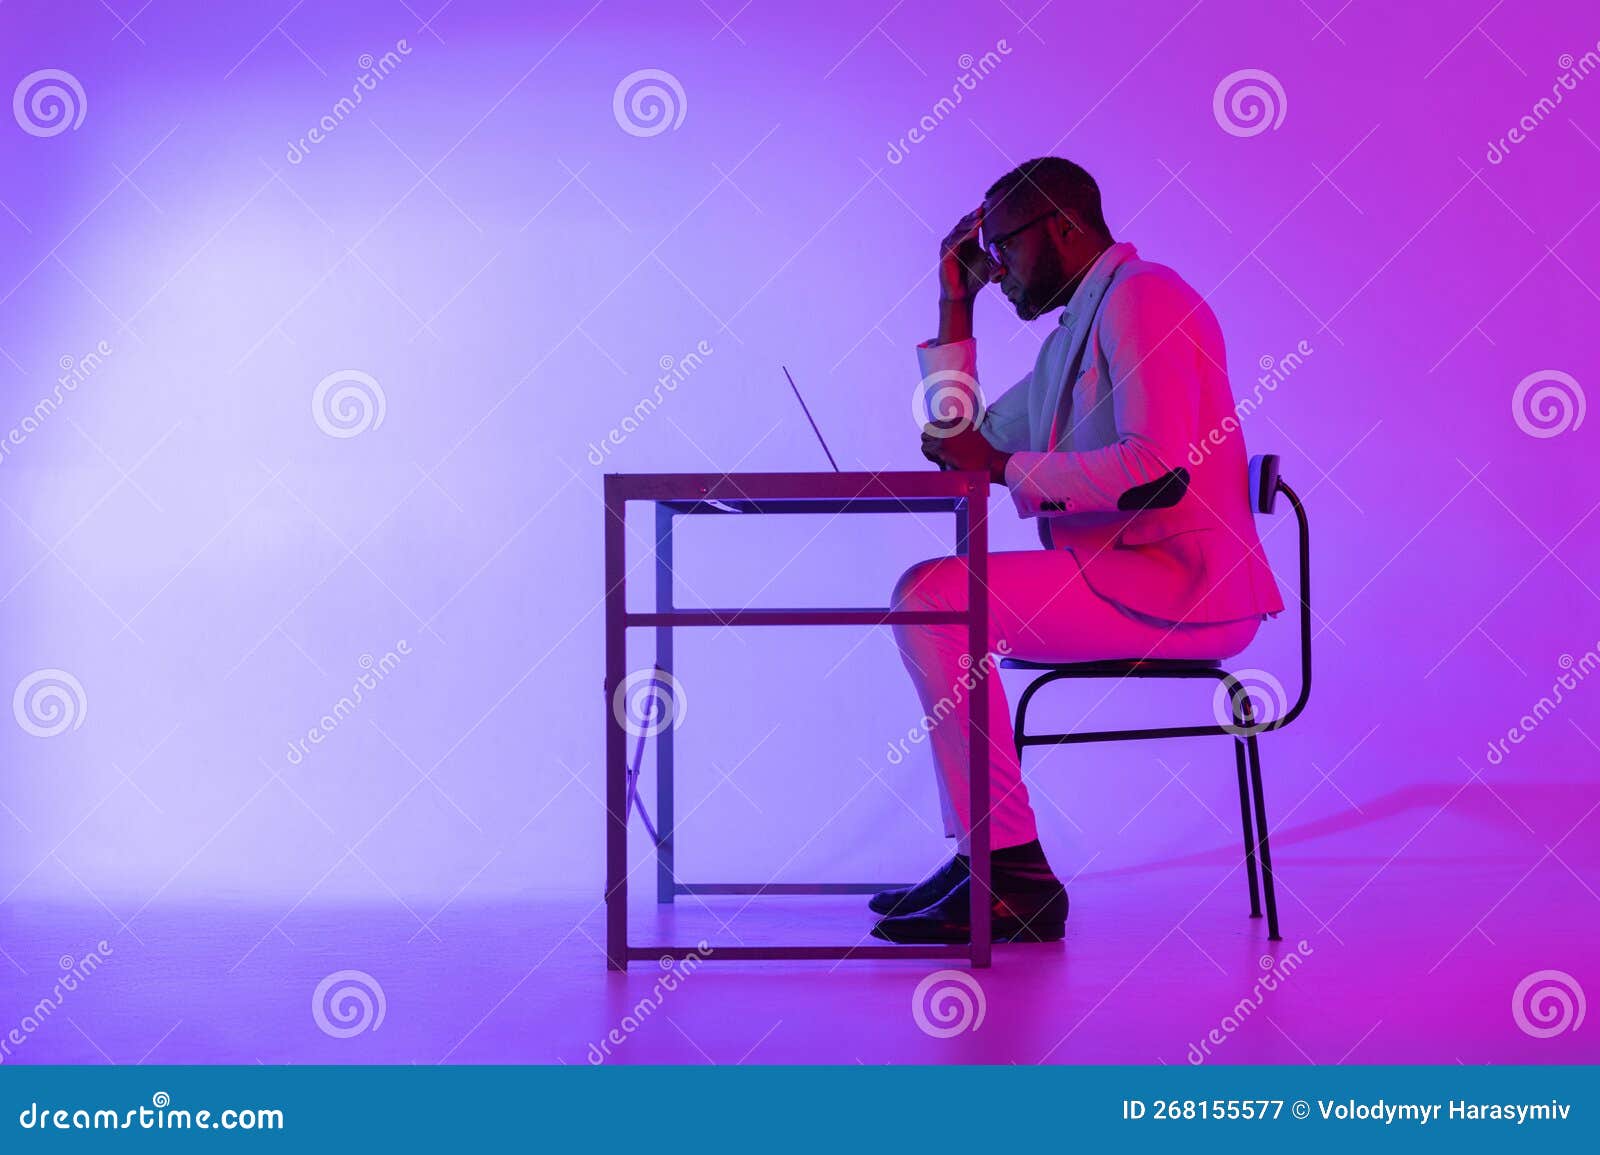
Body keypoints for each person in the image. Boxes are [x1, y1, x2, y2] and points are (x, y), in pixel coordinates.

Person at [871, 157, 1285, 945]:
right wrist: (954, 305)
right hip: (1123, 579)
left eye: (1004, 248)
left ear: (1061, 224)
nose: (998, 271)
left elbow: (1155, 470)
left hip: (1182, 591)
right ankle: (988, 858)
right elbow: (960, 441)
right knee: (931, 593)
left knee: (932, 596)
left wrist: (995, 466)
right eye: (986, 257)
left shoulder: (1145, 297)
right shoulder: (1076, 336)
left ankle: (1009, 872)